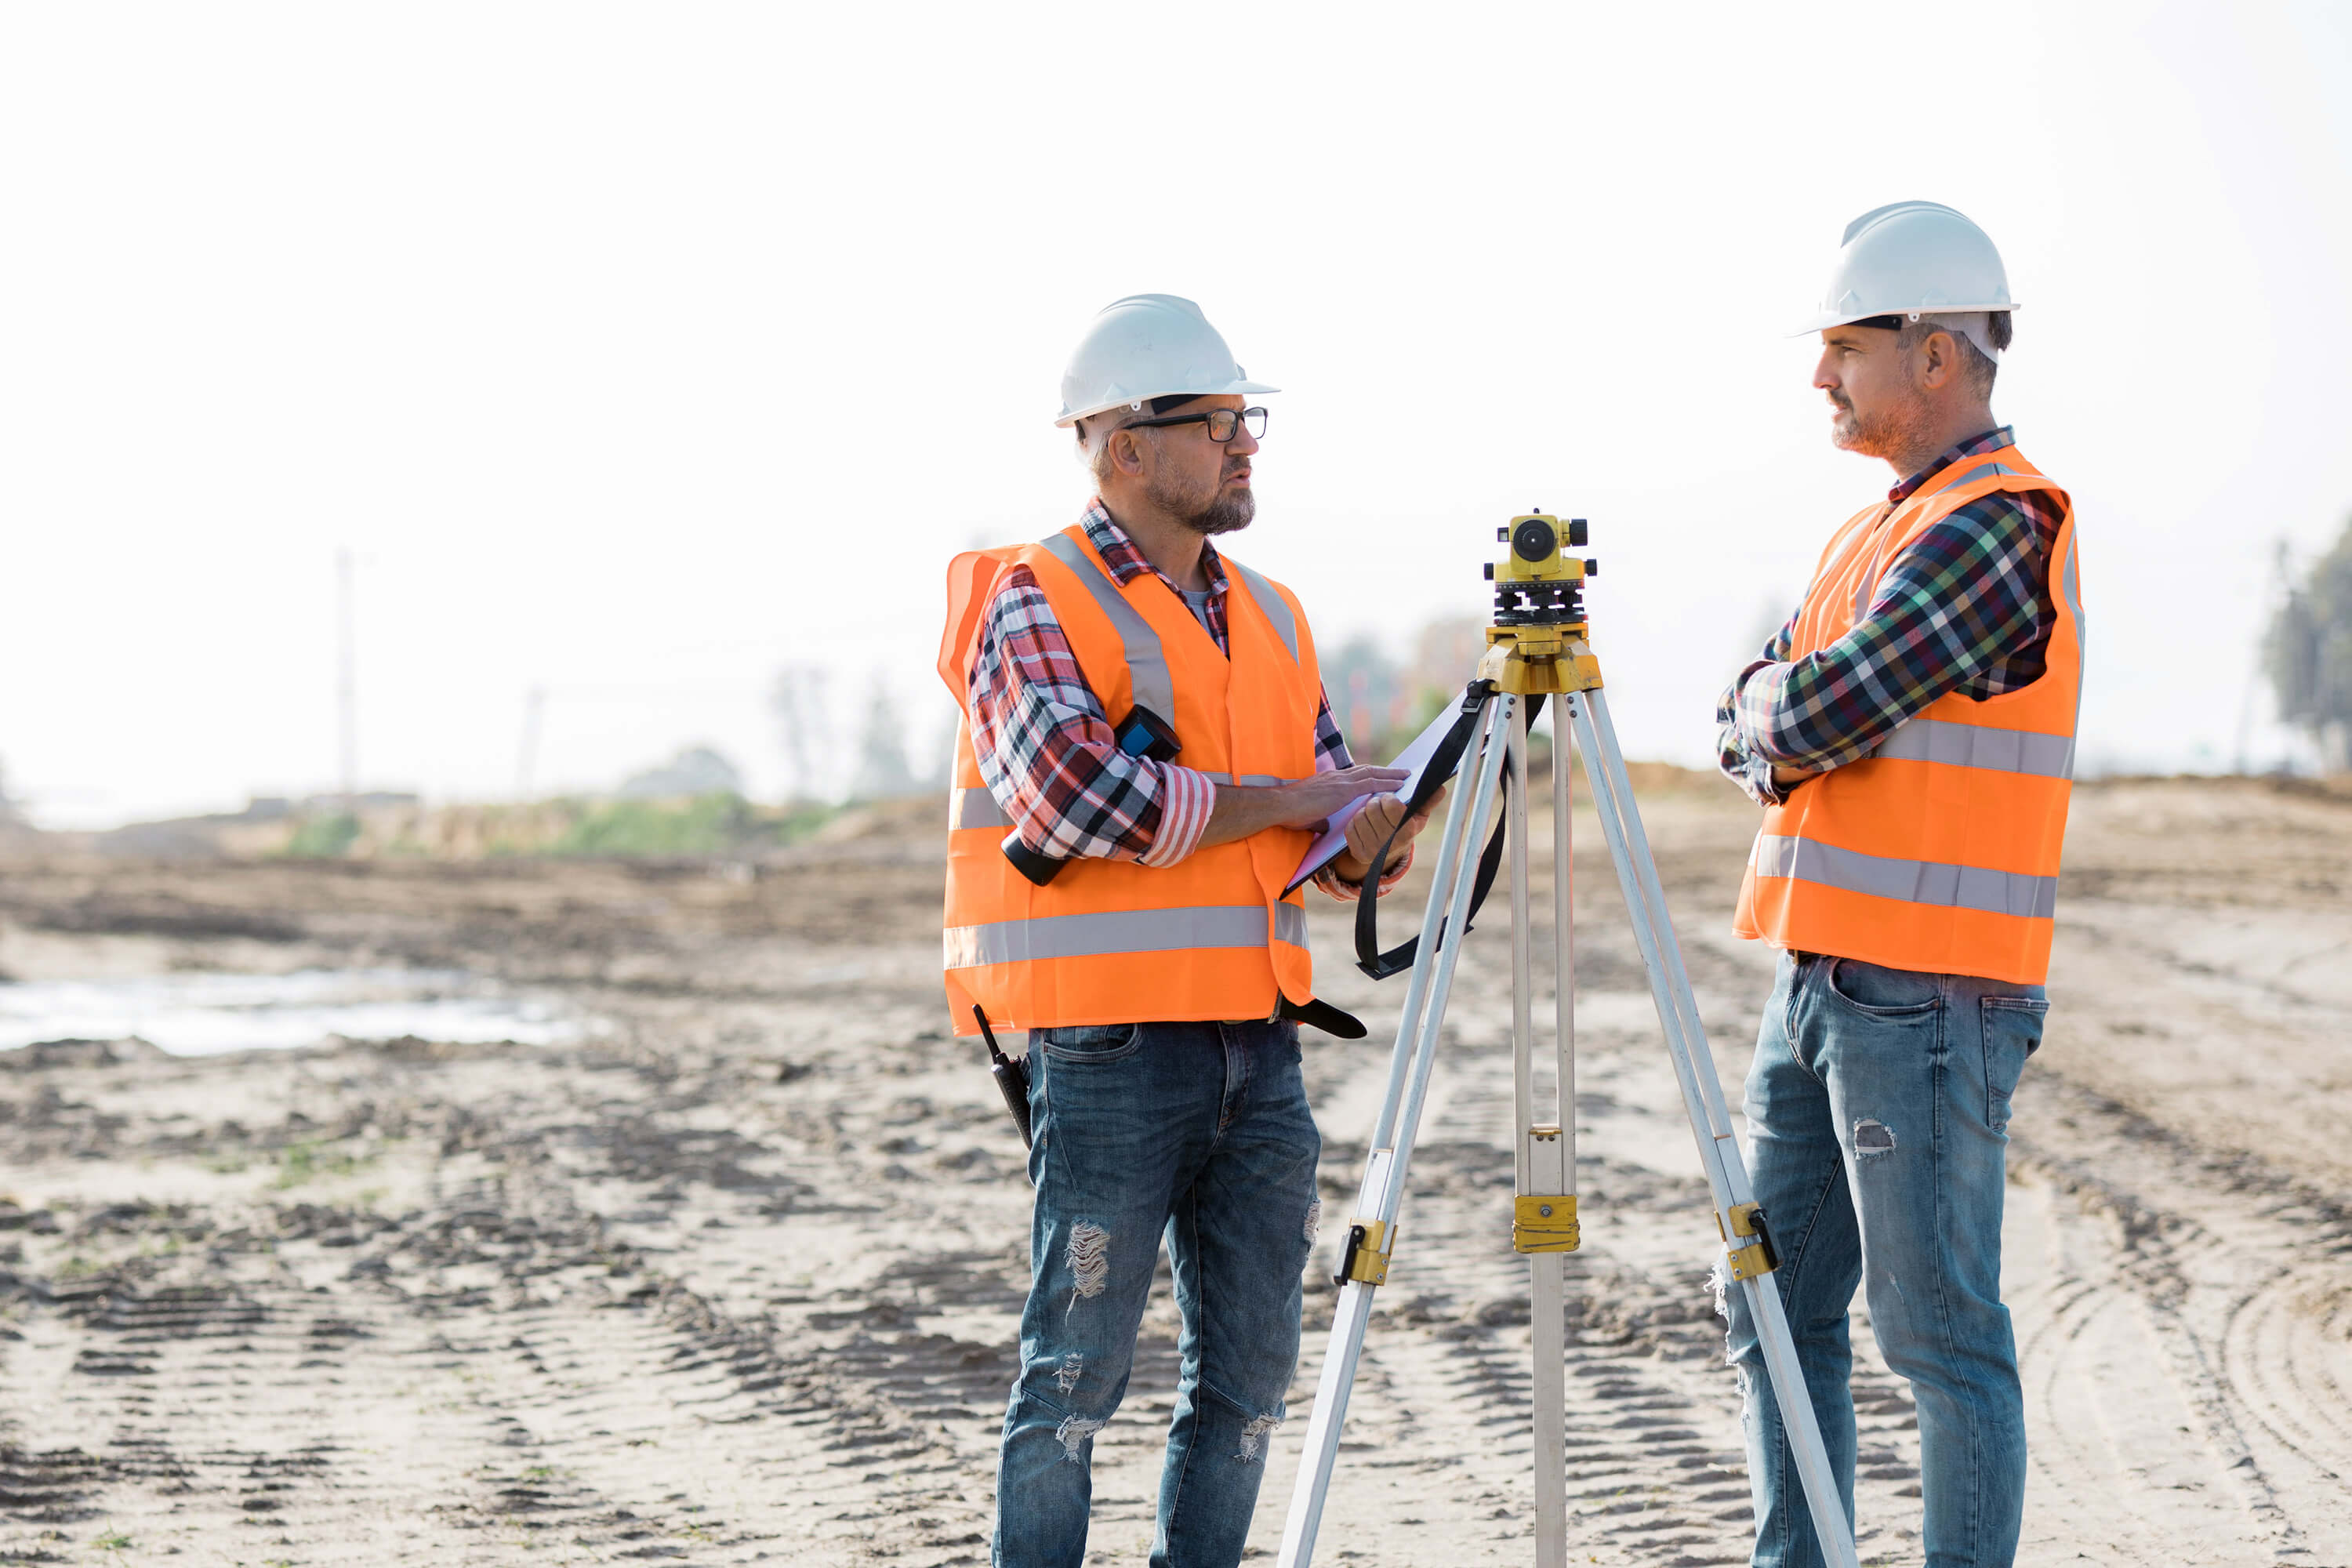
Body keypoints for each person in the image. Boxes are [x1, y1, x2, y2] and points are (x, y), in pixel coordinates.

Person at [936, 294, 1440, 1568]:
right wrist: (1290, 802)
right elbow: (1078, 797)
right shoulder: (1033, 599)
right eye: (1218, 422)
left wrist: (1372, 830)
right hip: (1106, 1057)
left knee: (1250, 1384)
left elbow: (1314, 815)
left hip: (1256, 1053)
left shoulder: (1272, 613)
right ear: (1123, 446)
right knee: (1072, 1383)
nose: (1244, 444)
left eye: (1245, 420)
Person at [1715, 202, 2085, 1568]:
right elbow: (1759, 709)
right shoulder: (1878, 532)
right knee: (1768, 1302)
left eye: (1845, 349)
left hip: (1928, 994)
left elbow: (1810, 716)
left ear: (1936, 355)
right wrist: (1776, 707)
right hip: (1820, 974)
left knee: (1939, 1339)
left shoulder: (1996, 524)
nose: (1822, 377)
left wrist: (1776, 709)